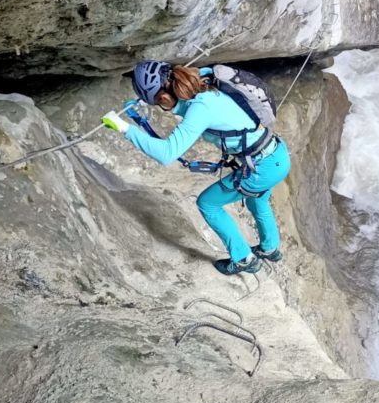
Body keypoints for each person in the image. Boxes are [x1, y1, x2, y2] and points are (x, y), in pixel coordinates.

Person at [101, 60, 290, 276]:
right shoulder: (204, 78)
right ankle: (270, 248)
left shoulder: (202, 106)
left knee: (208, 203)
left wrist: (125, 128)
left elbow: (166, 153)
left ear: (163, 97)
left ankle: (243, 259)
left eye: (158, 102)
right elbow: (183, 103)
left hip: (261, 167)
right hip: (276, 155)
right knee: (257, 199)